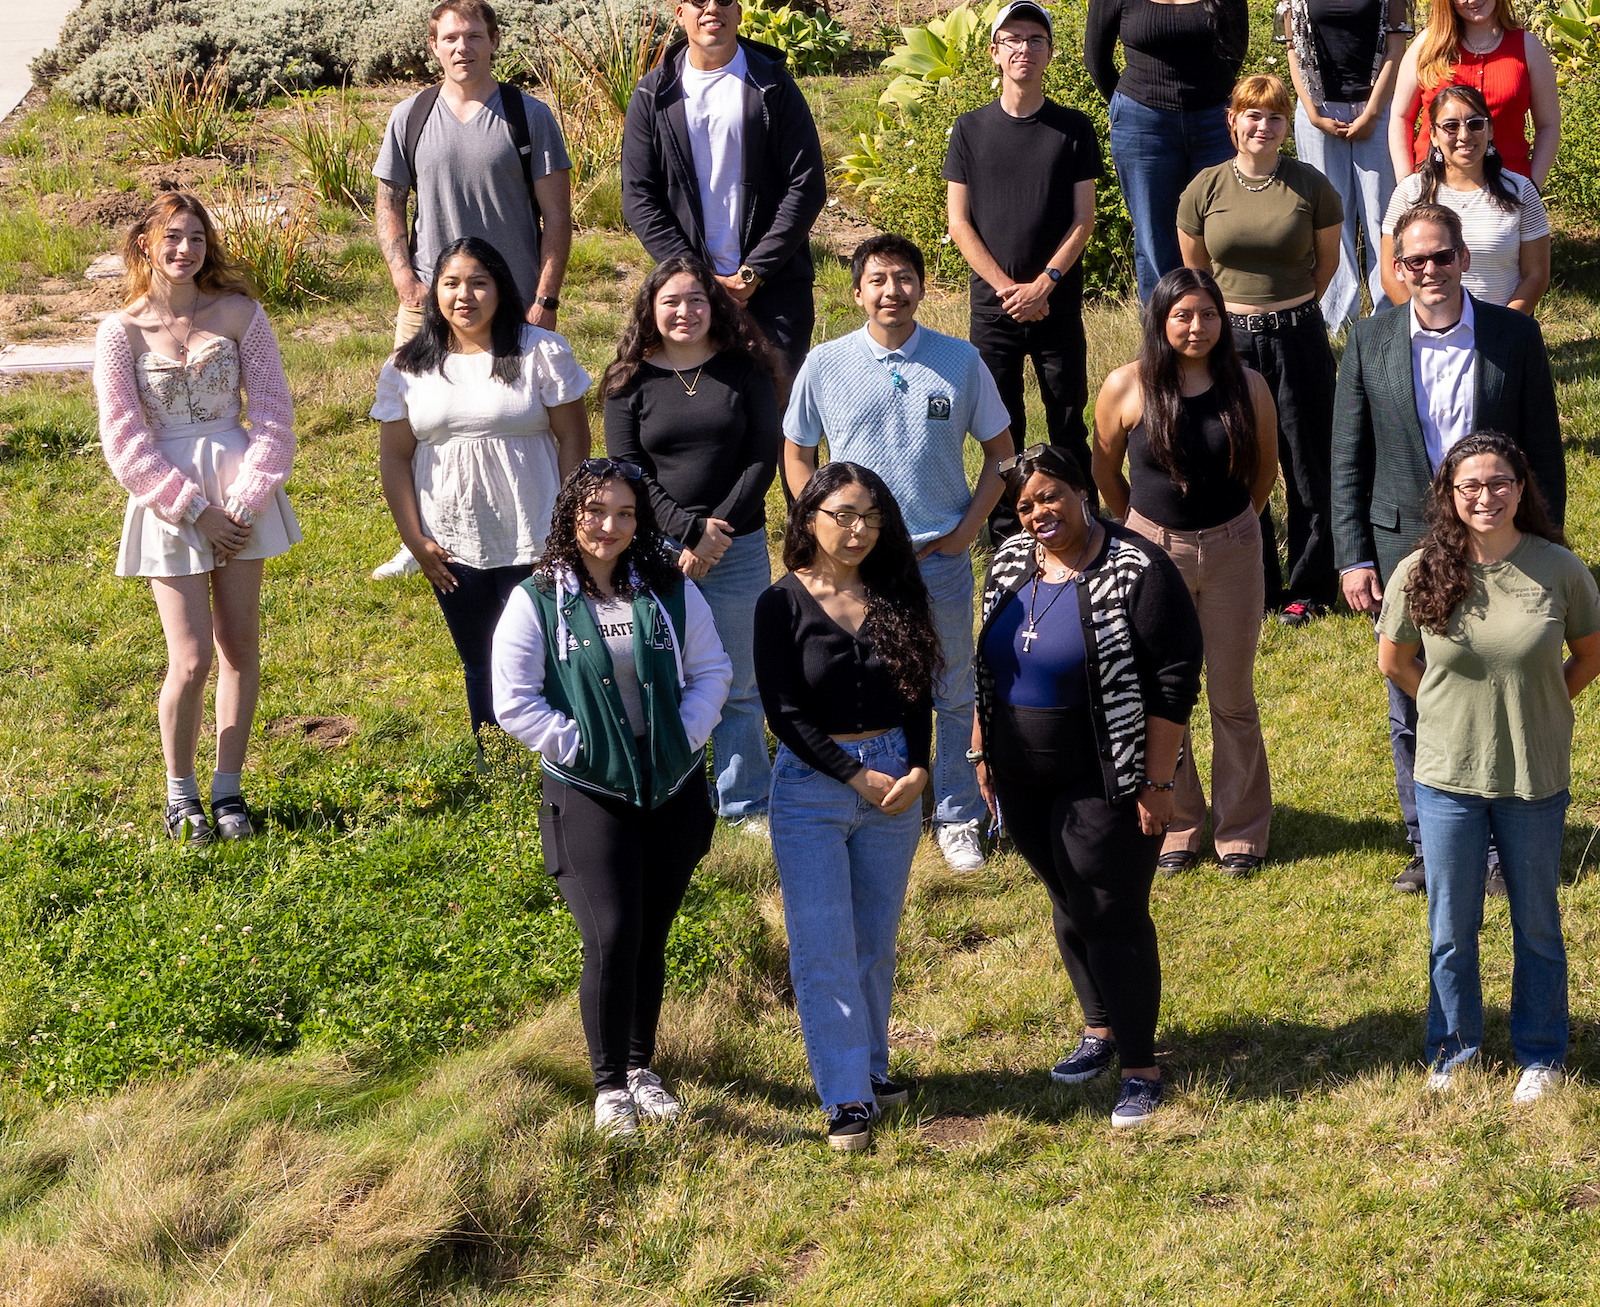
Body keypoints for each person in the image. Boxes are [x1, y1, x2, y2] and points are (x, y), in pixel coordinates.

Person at [488, 454, 731, 1138]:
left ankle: (641, 1067)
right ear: (570, 515)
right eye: (596, 512)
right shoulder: (537, 598)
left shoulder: (665, 589)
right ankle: (608, 1087)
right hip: (592, 795)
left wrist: (682, 736)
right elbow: (514, 702)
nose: (610, 526)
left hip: (672, 788)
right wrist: (583, 746)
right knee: (612, 933)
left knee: (651, 934)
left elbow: (712, 669)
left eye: (625, 514)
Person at [1331, 200, 1569, 876]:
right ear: (1397, 269)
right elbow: (1347, 456)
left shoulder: (1514, 338)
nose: (1430, 269)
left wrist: (1545, 545)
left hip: (1499, 538)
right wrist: (1352, 556)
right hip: (1402, 543)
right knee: (1413, 697)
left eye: (1442, 256)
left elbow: (1544, 454)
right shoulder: (1369, 341)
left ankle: (1498, 841)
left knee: (1494, 690)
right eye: (1415, 260)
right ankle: (1428, 844)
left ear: (1464, 258)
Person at [975, 445, 1202, 1123]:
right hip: (1020, 772)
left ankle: (1140, 1066)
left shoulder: (1136, 567)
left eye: (1049, 496)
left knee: (1110, 908)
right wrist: (981, 751)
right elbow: (990, 662)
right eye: (1024, 505)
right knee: (1066, 898)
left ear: (1080, 490)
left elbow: (1172, 682)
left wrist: (1158, 781)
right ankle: (1098, 1029)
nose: (1038, 513)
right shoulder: (1013, 560)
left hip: (1107, 771)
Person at [1381, 431, 1600, 1100]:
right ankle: (1453, 1050)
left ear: (1521, 488)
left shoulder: (1558, 568)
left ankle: (1541, 1052)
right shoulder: (1421, 568)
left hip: (1533, 774)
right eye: (1470, 486)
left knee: (1535, 920)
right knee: (1451, 925)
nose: (1486, 496)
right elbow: (1395, 661)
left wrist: (1538, 701)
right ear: (1450, 496)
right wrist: (1450, 710)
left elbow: (1591, 656)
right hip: (1448, 774)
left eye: (1499, 483)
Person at [778, 233, 1014, 873]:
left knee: (952, 683)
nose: (891, 290)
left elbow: (1003, 454)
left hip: (936, 556)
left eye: (903, 277)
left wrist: (966, 532)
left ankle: (959, 813)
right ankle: (883, 790)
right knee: (873, 682)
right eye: (877, 279)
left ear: (922, 286)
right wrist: (824, 529)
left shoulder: (960, 361)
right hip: (854, 564)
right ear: (856, 292)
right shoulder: (824, 364)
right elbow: (797, 453)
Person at [95, 184, 297, 843]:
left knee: (239, 648)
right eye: (172, 237)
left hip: (241, 494)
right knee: (189, 659)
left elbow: (273, 418)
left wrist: (242, 502)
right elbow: (124, 442)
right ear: (144, 246)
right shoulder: (119, 333)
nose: (185, 249)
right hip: (170, 504)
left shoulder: (240, 315)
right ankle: (180, 795)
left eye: (197, 238)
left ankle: (229, 790)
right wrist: (192, 509)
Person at [756, 458, 935, 1150]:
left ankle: (871, 1067)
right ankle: (846, 1099)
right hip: (812, 787)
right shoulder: (781, 602)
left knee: (875, 943)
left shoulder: (896, 591)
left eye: (870, 516)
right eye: (843, 515)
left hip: (894, 776)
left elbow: (918, 688)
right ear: (810, 519)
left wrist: (918, 768)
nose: (857, 530)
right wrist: (851, 775)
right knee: (824, 944)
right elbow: (783, 711)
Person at [1088, 268, 1280, 872]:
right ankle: (1179, 822)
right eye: (1183, 316)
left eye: (1208, 315)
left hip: (1233, 552)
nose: (1196, 328)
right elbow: (1103, 472)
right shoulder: (1125, 387)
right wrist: (1141, 533)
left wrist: (1236, 528)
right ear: (1161, 320)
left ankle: (1241, 830)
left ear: (1223, 321)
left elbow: (1265, 470)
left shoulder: (1247, 386)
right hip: (1153, 556)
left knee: (1231, 696)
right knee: (1161, 694)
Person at [373, 237, 593, 729]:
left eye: (478, 282)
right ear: (434, 293)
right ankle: (496, 769)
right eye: (450, 284)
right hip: (452, 545)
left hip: (538, 538)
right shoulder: (408, 366)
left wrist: (567, 529)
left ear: (500, 289)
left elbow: (575, 441)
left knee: (548, 660)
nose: (463, 296)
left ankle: (560, 767)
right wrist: (415, 540)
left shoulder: (542, 350)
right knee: (480, 663)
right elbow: (394, 457)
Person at [605, 259, 782, 825]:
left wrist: (716, 532)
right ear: (650, 309)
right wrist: (687, 531)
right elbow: (627, 470)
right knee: (657, 672)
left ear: (717, 307)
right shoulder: (627, 381)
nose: (685, 312)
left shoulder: (746, 371)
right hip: (654, 551)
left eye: (698, 300)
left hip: (738, 546)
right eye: (672, 302)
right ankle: (672, 790)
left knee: (739, 680)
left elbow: (762, 458)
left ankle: (744, 801)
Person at [1180, 74, 1345, 616]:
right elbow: (1196, 271)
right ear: (1234, 121)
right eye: (1253, 115)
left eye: (1275, 117)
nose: (1264, 126)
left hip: (1298, 339)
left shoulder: (1311, 186)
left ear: (1286, 127)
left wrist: (1290, 311)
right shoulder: (1204, 188)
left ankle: (1311, 588)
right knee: (1238, 463)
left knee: (1307, 462)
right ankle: (1257, 582)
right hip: (1230, 345)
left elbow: (1327, 264)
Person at [626, 0, 830, 363]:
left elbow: (806, 185)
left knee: (776, 415)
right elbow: (638, 196)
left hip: (775, 288)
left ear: (739, 9)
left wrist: (754, 272)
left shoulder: (773, 86)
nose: (711, 8)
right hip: (689, 293)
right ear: (681, 12)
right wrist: (698, 276)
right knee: (705, 414)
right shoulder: (653, 95)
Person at [940, 0, 1107, 463]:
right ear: (994, 52)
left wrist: (1044, 284)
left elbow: (1083, 220)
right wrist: (1010, 290)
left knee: (1069, 421)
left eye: (1036, 40)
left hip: (1057, 301)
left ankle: (1079, 523)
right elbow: (958, 222)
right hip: (994, 309)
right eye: (1012, 39)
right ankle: (1007, 529)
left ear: (1050, 53)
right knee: (999, 430)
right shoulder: (969, 129)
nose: (1024, 49)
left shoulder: (1074, 128)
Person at [1084, 0, 1250, 302]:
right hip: (1143, 125)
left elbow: (1237, 45)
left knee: (1218, 228)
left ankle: (1217, 334)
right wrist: (1131, 102)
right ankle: (1163, 343)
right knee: (1155, 237)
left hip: (1215, 123)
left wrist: (1213, 97)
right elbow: (1095, 57)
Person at [374, 0, 574, 338]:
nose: (462, 47)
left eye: (474, 36)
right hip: (430, 303)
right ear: (434, 46)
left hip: (514, 303)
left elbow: (557, 216)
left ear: (494, 41)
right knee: (414, 393)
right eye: (450, 38)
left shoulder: (530, 117)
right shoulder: (409, 117)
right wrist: (405, 281)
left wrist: (545, 299)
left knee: (518, 394)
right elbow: (388, 204)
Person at [1278, 0, 1413, 334]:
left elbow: (1397, 48)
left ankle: (1388, 319)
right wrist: (1312, 111)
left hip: (1375, 110)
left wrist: (1375, 109)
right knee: (1325, 221)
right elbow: (1293, 48)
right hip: (1318, 114)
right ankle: (1332, 321)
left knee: (1383, 219)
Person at [1384, 83, 1552, 313]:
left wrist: (1503, 327)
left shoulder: (1521, 192)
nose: (1464, 135)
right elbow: (1389, 275)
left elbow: (1536, 275)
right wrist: (1426, 328)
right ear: (1433, 135)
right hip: (1429, 337)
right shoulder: (1409, 193)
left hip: (1501, 334)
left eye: (1475, 124)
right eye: (1451, 126)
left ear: (1490, 130)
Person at [1399, 0, 1553, 182]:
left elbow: (1548, 125)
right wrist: (1407, 184)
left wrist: (1532, 185)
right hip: (1435, 188)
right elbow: (1401, 118)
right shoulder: (1428, 45)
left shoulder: (1527, 48)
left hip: (1508, 189)